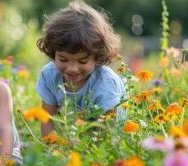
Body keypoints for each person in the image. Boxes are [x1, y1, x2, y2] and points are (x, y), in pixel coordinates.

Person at [36, 1, 126, 137]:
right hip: (72, 135)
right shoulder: (49, 76)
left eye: (82, 61)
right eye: (63, 59)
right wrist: (53, 149)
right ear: (53, 52)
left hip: (108, 137)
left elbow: (110, 131)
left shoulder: (105, 82)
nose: (72, 69)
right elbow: (47, 119)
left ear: (97, 57)